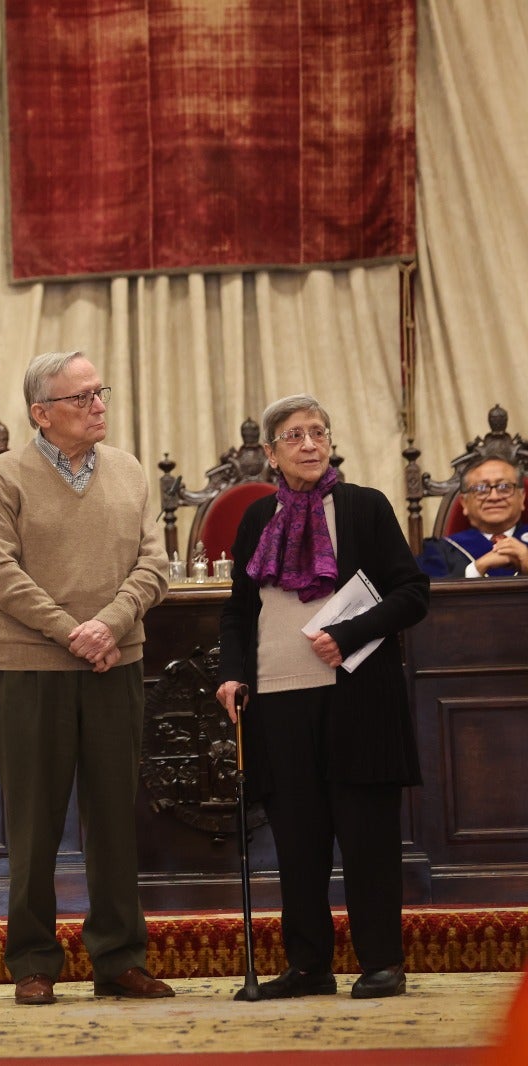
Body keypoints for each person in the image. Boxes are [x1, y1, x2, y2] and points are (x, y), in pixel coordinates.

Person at [0, 351, 172, 1007]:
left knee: (114, 821)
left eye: (99, 392)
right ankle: (33, 962)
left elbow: (154, 565)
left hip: (117, 663)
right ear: (41, 412)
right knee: (34, 825)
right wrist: (71, 632)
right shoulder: (5, 476)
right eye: (81, 397)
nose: (98, 405)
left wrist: (108, 626)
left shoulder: (129, 470)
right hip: (33, 670)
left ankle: (119, 960)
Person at [215, 394, 429, 1001]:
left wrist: (350, 633)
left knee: (367, 839)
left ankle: (382, 961)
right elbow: (239, 612)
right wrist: (232, 674)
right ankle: (309, 966)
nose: (309, 444)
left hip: (357, 699)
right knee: (298, 843)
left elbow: (412, 593)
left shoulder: (365, 507)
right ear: (270, 452)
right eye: (294, 435)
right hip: (278, 701)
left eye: (318, 432)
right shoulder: (257, 519)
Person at [417, 457, 527, 579]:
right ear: (464, 503)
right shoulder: (439, 551)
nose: (494, 497)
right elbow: (427, 589)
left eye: (504, 487)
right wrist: (476, 569)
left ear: (522, 498)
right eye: (481, 489)